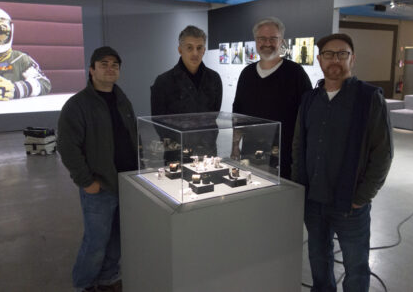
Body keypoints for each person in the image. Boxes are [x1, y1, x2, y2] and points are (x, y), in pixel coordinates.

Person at [291, 33, 393, 291]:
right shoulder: (310, 99)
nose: (335, 60)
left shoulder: (369, 98)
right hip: (314, 201)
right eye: (328, 54)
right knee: (318, 259)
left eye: (342, 54)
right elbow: (298, 146)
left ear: (352, 58)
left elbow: (383, 154)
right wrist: (299, 188)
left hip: (350, 203)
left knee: (356, 265)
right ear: (319, 59)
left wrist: (363, 196)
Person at [58, 46, 138, 292]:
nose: (110, 68)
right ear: (91, 70)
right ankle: (84, 284)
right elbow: (68, 147)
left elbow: (132, 135)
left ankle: (108, 278)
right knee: (95, 242)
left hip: (125, 182)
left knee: (117, 239)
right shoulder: (77, 105)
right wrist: (86, 182)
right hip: (99, 186)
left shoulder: (122, 100)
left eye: (115, 64)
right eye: (103, 64)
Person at [232, 17, 312, 180]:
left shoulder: (296, 74)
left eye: (273, 38)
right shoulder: (246, 74)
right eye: (262, 38)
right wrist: (235, 146)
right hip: (251, 155)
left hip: (285, 159)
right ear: (255, 41)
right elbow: (238, 114)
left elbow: (308, 117)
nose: (267, 43)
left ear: (281, 41)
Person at [150, 25, 222, 156]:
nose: (195, 53)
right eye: (189, 48)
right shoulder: (163, 82)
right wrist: (175, 147)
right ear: (180, 50)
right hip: (176, 154)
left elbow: (213, 116)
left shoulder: (214, 79)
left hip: (207, 151)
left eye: (199, 48)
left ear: (204, 50)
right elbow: (158, 122)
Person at [0, 6, 51, 100]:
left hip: (14, 111)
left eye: (1, 32)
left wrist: (16, 89)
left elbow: (44, 83)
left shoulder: (20, 58)